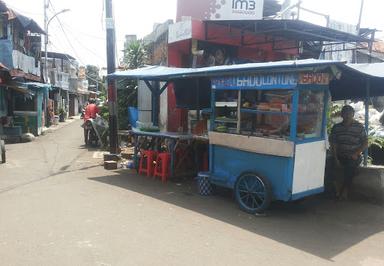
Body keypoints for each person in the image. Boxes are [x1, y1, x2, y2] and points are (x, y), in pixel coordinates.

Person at [329, 105, 368, 200]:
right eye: (345, 113)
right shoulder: (336, 127)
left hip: (354, 156)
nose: (347, 115)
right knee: (328, 165)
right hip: (340, 155)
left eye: (349, 113)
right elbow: (333, 143)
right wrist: (335, 158)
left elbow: (365, 142)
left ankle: (345, 191)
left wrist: (356, 153)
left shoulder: (359, 127)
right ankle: (336, 189)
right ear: (341, 115)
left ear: (353, 114)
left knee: (350, 168)